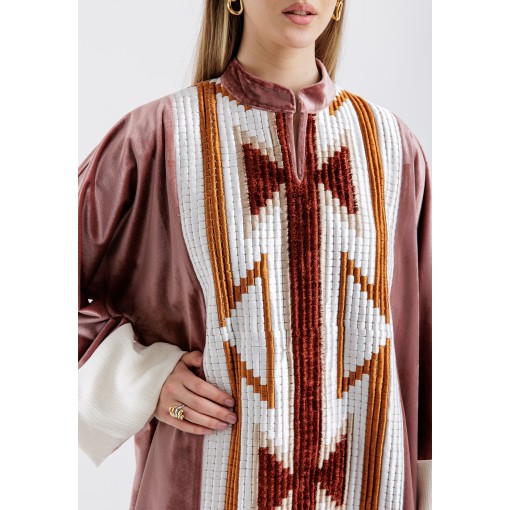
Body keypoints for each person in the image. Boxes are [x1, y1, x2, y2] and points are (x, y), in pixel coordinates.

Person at [78, 0, 432, 508]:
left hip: (372, 486)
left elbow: (429, 352)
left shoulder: (393, 150)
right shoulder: (157, 138)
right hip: (203, 488)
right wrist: (140, 377)